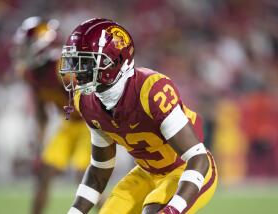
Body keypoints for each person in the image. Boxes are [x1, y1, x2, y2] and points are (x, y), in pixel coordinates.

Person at [59, 18, 218, 214]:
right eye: (75, 61)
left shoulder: (151, 91)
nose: (77, 71)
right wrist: (75, 212)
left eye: (86, 62)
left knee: (151, 210)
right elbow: (100, 168)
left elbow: (198, 157)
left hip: (185, 169)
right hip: (146, 173)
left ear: (114, 61)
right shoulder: (86, 102)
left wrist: (173, 209)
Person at [12, 16, 91, 214]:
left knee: (86, 181)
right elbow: (41, 113)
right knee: (44, 173)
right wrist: (39, 147)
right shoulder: (30, 74)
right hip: (69, 124)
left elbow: (94, 101)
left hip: (90, 125)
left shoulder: (63, 68)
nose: (23, 50)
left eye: (27, 45)